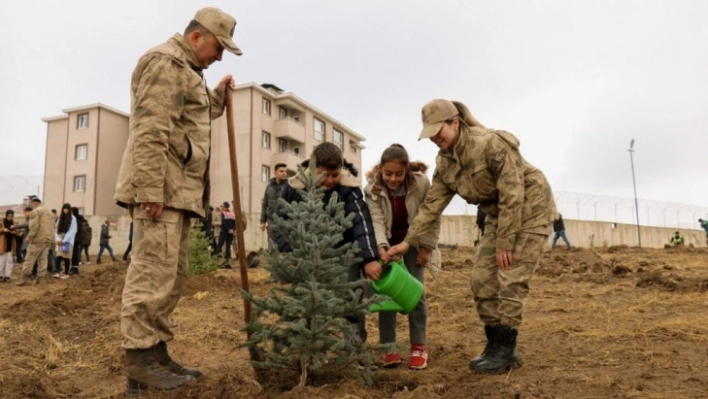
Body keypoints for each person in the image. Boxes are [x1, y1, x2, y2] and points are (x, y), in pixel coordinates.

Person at [113, 6, 241, 394]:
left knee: (170, 277)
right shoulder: (164, 63)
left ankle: (155, 353)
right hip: (162, 192)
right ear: (197, 36)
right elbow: (151, 130)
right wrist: (149, 191)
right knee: (151, 273)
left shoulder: (189, 73)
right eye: (218, 48)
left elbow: (193, 118)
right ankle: (138, 359)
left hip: (181, 193)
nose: (219, 57)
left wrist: (217, 96)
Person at [388, 99, 556, 374]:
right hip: (497, 215)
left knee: (510, 278)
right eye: (428, 133)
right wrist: (407, 242)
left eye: (437, 130)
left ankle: (506, 350)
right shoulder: (445, 162)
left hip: (530, 209)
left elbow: (513, 192)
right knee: (481, 279)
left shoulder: (490, 143)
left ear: (455, 122)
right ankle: (494, 345)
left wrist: (505, 241)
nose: (434, 138)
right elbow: (431, 206)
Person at [274, 142, 381, 346]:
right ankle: (307, 349)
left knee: (349, 300)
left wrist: (369, 258)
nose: (331, 181)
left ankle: (354, 351)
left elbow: (362, 221)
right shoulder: (294, 187)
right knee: (307, 301)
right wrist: (290, 252)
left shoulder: (349, 188)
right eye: (324, 174)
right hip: (305, 254)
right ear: (313, 168)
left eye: (335, 175)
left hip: (344, 252)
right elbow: (279, 221)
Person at [364, 144, 441, 370]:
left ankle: (418, 346)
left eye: (399, 174)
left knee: (415, 293)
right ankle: (389, 348)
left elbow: (432, 216)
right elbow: (376, 221)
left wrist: (426, 247)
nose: (393, 179)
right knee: (385, 293)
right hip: (388, 246)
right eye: (388, 174)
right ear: (381, 170)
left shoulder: (421, 184)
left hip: (414, 244)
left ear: (407, 170)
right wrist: (381, 248)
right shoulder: (372, 190)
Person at [18, 198, 54, 286]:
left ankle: (26, 278)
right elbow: (53, 226)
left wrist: (29, 237)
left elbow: (34, 226)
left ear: (34, 203)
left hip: (38, 239)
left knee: (29, 258)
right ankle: (41, 279)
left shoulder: (36, 211)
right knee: (43, 259)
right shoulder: (49, 212)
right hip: (48, 239)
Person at [260, 163, 288, 248]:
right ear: (275, 172)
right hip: (271, 220)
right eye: (281, 171)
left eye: (285, 171)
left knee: (284, 246)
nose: (284, 173)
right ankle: (273, 261)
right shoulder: (269, 186)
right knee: (272, 246)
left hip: (285, 221)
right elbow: (265, 204)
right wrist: (262, 221)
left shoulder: (289, 186)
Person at [53, 203, 77, 279]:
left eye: (67, 208)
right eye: (64, 208)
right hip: (60, 239)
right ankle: (57, 272)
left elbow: (73, 230)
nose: (65, 210)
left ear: (69, 209)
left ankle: (66, 273)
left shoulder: (73, 218)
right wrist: (58, 239)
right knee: (58, 256)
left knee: (66, 256)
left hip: (68, 240)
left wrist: (65, 240)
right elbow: (56, 229)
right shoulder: (60, 218)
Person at [1, 210, 19, 282]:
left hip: (11, 244)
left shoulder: (14, 223)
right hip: (2, 244)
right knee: (1, 261)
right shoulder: (1, 222)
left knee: (9, 261)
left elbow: (17, 233)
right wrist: (3, 230)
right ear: (6, 215)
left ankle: (7, 276)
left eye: (11, 216)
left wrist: (15, 232)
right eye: (8, 216)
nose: (10, 217)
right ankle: (0, 275)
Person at [70, 207, 86, 272]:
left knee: (74, 253)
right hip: (76, 238)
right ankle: (74, 266)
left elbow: (77, 230)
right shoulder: (78, 219)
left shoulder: (76, 219)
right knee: (74, 252)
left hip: (76, 238)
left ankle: (75, 267)